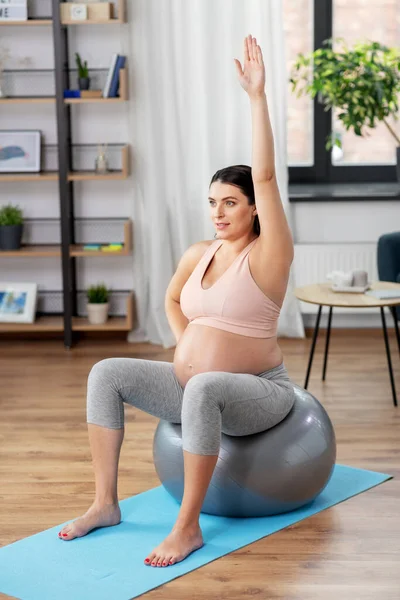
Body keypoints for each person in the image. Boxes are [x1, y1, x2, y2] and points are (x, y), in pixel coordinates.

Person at [57, 34, 296, 568]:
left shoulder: (269, 255)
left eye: (230, 203)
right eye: (212, 202)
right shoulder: (199, 252)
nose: (218, 212)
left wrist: (257, 99)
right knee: (105, 372)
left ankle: (186, 528)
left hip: (258, 393)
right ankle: (104, 503)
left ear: (255, 210)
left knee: (205, 384)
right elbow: (171, 298)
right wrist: (188, 339)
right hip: (194, 389)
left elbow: (264, 174)